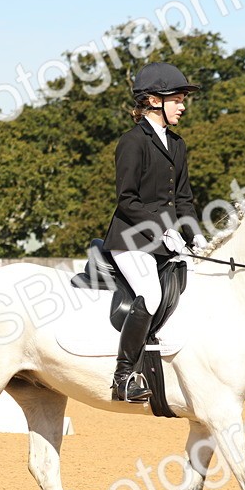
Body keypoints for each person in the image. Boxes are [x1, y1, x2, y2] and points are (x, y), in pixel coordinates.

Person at [102, 62, 207, 402]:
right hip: (131, 238)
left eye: (181, 99)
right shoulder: (132, 142)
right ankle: (124, 377)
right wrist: (163, 230)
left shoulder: (177, 144)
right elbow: (126, 199)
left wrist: (196, 236)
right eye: (176, 99)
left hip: (166, 241)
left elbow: (185, 200)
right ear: (152, 100)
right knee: (150, 292)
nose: (182, 105)